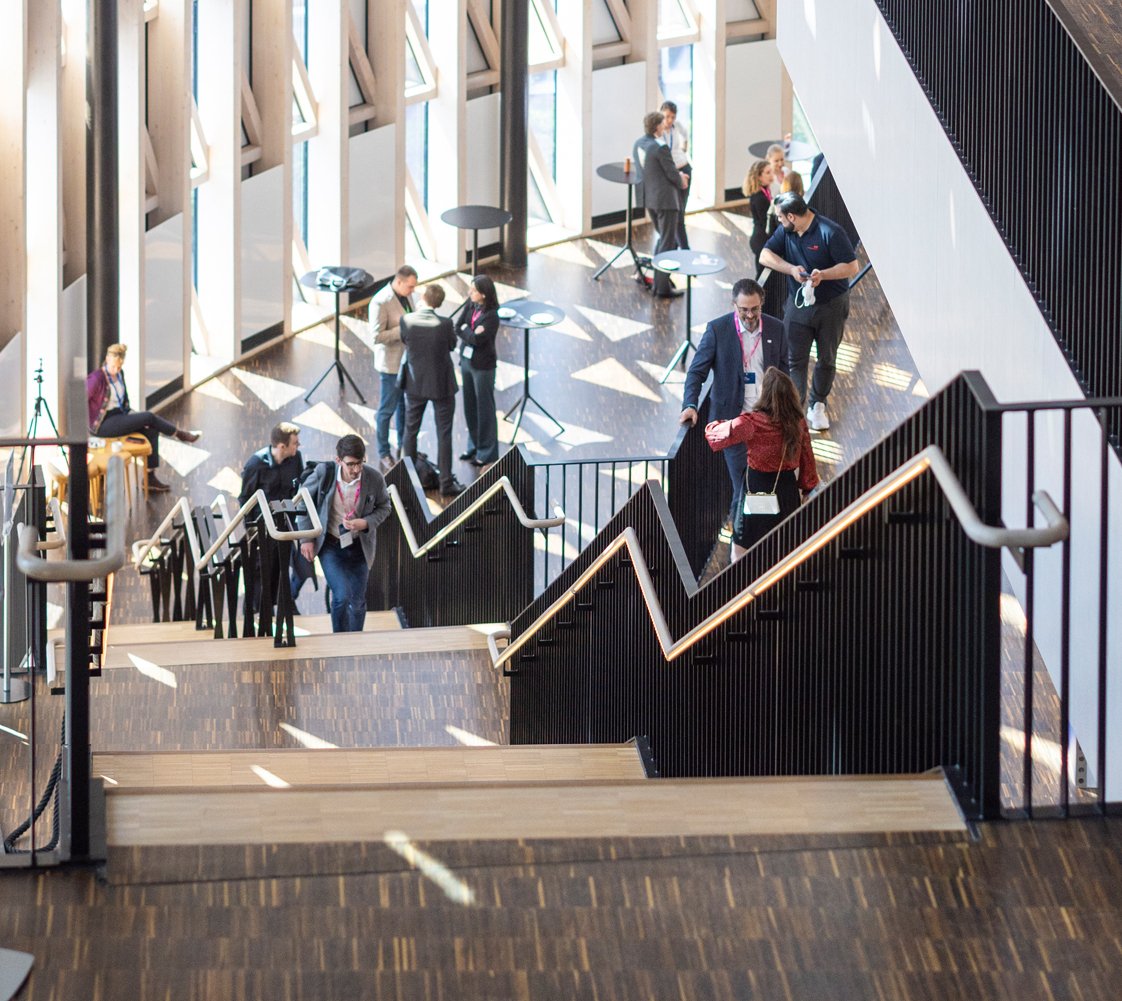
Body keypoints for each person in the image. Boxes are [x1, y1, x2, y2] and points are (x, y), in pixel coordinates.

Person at [679, 279, 788, 561]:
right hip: (735, 424)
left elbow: (785, 372)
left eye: (754, 309)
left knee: (759, 485)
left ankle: (752, 539)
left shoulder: (776, 328)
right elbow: (697, 372)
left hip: (768, 422)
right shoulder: (718, 330)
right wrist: (691, 405)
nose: (750, 316)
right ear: (734, 306)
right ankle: (739, 548)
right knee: (744, 484)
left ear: (761, 303)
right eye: (744, 310)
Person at [759, 192, 859, 432]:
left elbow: (851, 266)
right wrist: (791, 269)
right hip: (799, 306)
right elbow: (765, 255)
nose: (779, 223)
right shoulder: (788, 231)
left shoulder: (830, 232)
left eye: (781, 219)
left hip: (831, 306)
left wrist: (823, 275)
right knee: (794, 360)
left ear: (792, 216)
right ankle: (795, 411)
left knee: (827, 358)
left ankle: (817, 404)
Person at [704, 368, 818, 559]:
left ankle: (744, 585)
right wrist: (808, 487)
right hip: (786, 490)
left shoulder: (752, 422)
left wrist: (723, 422)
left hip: (755, 488)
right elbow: (807, 456)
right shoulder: (798, 421)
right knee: (786, 546)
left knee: (742, 545)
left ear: (764, 394)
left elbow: (714, 437)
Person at [295, 434, 391, 633]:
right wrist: (306, 539)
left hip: (359, 547)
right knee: (341, 596)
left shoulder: (374, 478)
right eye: (351, 464)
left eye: (360, 463)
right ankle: (340, 639)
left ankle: (355, 640)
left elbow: (384, 507)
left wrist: (365, 523)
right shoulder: (324, 473)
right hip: (330, 545)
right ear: (339, 461)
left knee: (358, 601)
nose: (356, 469)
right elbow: (303, 502)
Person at [86, 343, 199, 493]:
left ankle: (149, 478)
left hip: (119, 416)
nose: (116, 370)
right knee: (149, 417)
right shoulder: (96, 378)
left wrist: (131, 415)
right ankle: (179, 434)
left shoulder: (120, 374)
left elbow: (123, 401)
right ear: (107, 359)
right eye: (114, 366)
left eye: (119, 367)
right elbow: (80, 400)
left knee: (151, 431)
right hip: (103, 424)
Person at [400, 284, 464, 496]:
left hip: (415, 384)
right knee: (444, 433)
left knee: (411, 431)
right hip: (441, 385)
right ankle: (446, 482)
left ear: (423, 297)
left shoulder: (407, 320)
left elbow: (405, 341)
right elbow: (452, 345)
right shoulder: (445, 324)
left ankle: (406, 480)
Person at [632, 111, 687, 298]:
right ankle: (662, 288)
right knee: (667, 243)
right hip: (666, 201)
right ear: (657, 127)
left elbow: (650, 171)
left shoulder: (639, 144)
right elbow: (671, 173)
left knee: (663, 239)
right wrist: (682, 180)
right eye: (663, 123)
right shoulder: (660, 147)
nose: (666, 126)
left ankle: (657, 282)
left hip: (650, 200)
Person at [371, 264, 418, 472]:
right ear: (398, 282)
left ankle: (402, 445)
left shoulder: (406, 296)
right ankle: (383, 452)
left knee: (403, 406)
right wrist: (404, 328)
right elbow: (376, 336)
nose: (413, 290)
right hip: (390, 365)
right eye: (410, 286)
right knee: (386, 410)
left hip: (405, 361)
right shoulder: (381, 302)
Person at [454, 275, 501, 467]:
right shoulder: (471, 305)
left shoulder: (491, 315)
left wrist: (469, 334)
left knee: (484, 408)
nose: (469, 293)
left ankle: (487, 451)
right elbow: (458, 327)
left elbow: (477, 340)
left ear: (483, 294)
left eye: (473, 290)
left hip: (483, 366)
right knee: (470, 405)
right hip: (467, 362)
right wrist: (470, 333)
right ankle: (473, 444)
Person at [238, 422, 303, 512]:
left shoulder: (296, 458)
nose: (298, 445)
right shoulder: (256, 463)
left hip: (288, 518)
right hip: (264, 519)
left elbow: (300, 483)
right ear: (282, 446)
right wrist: (250, 525)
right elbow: (245, 497)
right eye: (295, 443)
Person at [659, 100, 691, 250]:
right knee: (676, 214)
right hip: (671, 174)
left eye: (672, 117)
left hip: (684, 168)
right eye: (667, 116)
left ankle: (678, 246)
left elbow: (686, 134)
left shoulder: (677, 127)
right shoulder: (658, 131)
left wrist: (685, 147)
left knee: (680, 212)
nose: (670, 120)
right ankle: (684, 249)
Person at [741, 160, 775, 272]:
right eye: (768, 172)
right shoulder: (759, 198)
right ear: (759, 177)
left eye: (771, 171)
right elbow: (766, 221)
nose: (771, 175)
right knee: (762, 275)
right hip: (761, 240)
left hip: (761, 237)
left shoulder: (765, 191)